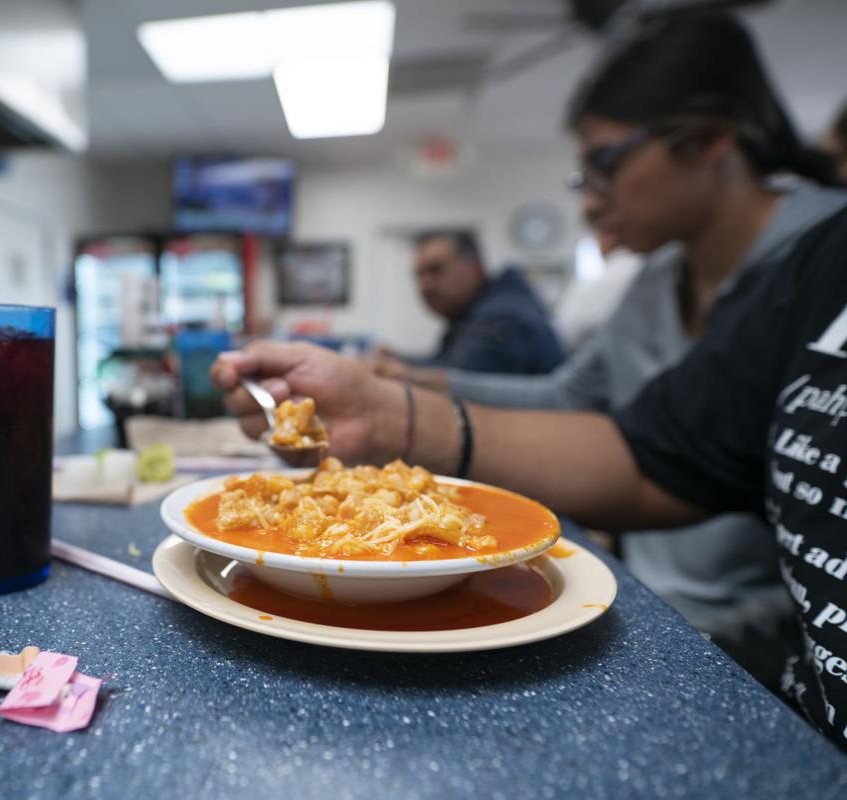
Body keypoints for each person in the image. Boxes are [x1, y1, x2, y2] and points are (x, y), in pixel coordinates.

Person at [211, 205, 847, 750]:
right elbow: (655, 455)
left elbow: (577, 406)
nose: (593, 202)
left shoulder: (504, 318)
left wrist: (393, 400)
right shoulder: (814, 267)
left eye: (604, 161)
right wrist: (383, 411)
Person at [377, 12, 847, 684]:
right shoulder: (657, 277)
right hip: (647, 604)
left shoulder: (815, 261)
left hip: (752, 641)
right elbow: (591, 410)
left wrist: (407, 407)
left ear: (712, 139)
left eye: (606, 164)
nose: (592, 204)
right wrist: (406, 394)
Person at [373, 230, 564, 376]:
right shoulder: (474, 313)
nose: (425, 285)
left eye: (436, 270)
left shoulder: (503, 318)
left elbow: (458, 382)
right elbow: (448, 363)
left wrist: (397, 369)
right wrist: (398, 360)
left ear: (475, 267)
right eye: (419, 275)